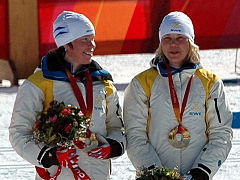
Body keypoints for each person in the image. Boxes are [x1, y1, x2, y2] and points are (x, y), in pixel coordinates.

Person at [9, 11, 126, 180]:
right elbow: (19, 133)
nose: (92, 45)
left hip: (98, 174)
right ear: (67, 44)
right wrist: (49, 156)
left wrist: (113, 147)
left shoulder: (103, 83)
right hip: (58, 175)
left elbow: (117, 127)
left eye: (92, 38)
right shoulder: (37, 84)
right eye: (85, 40)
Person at [123, 11, 232, 180]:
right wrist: (157, 175)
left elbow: (221, 134)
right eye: (167, 38)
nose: (173, 44)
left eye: (180, 38)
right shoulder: (141, 83)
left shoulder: (211, 83)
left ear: (191, 42)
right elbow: (134, 136)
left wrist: (200, 172)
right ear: (160, 43)